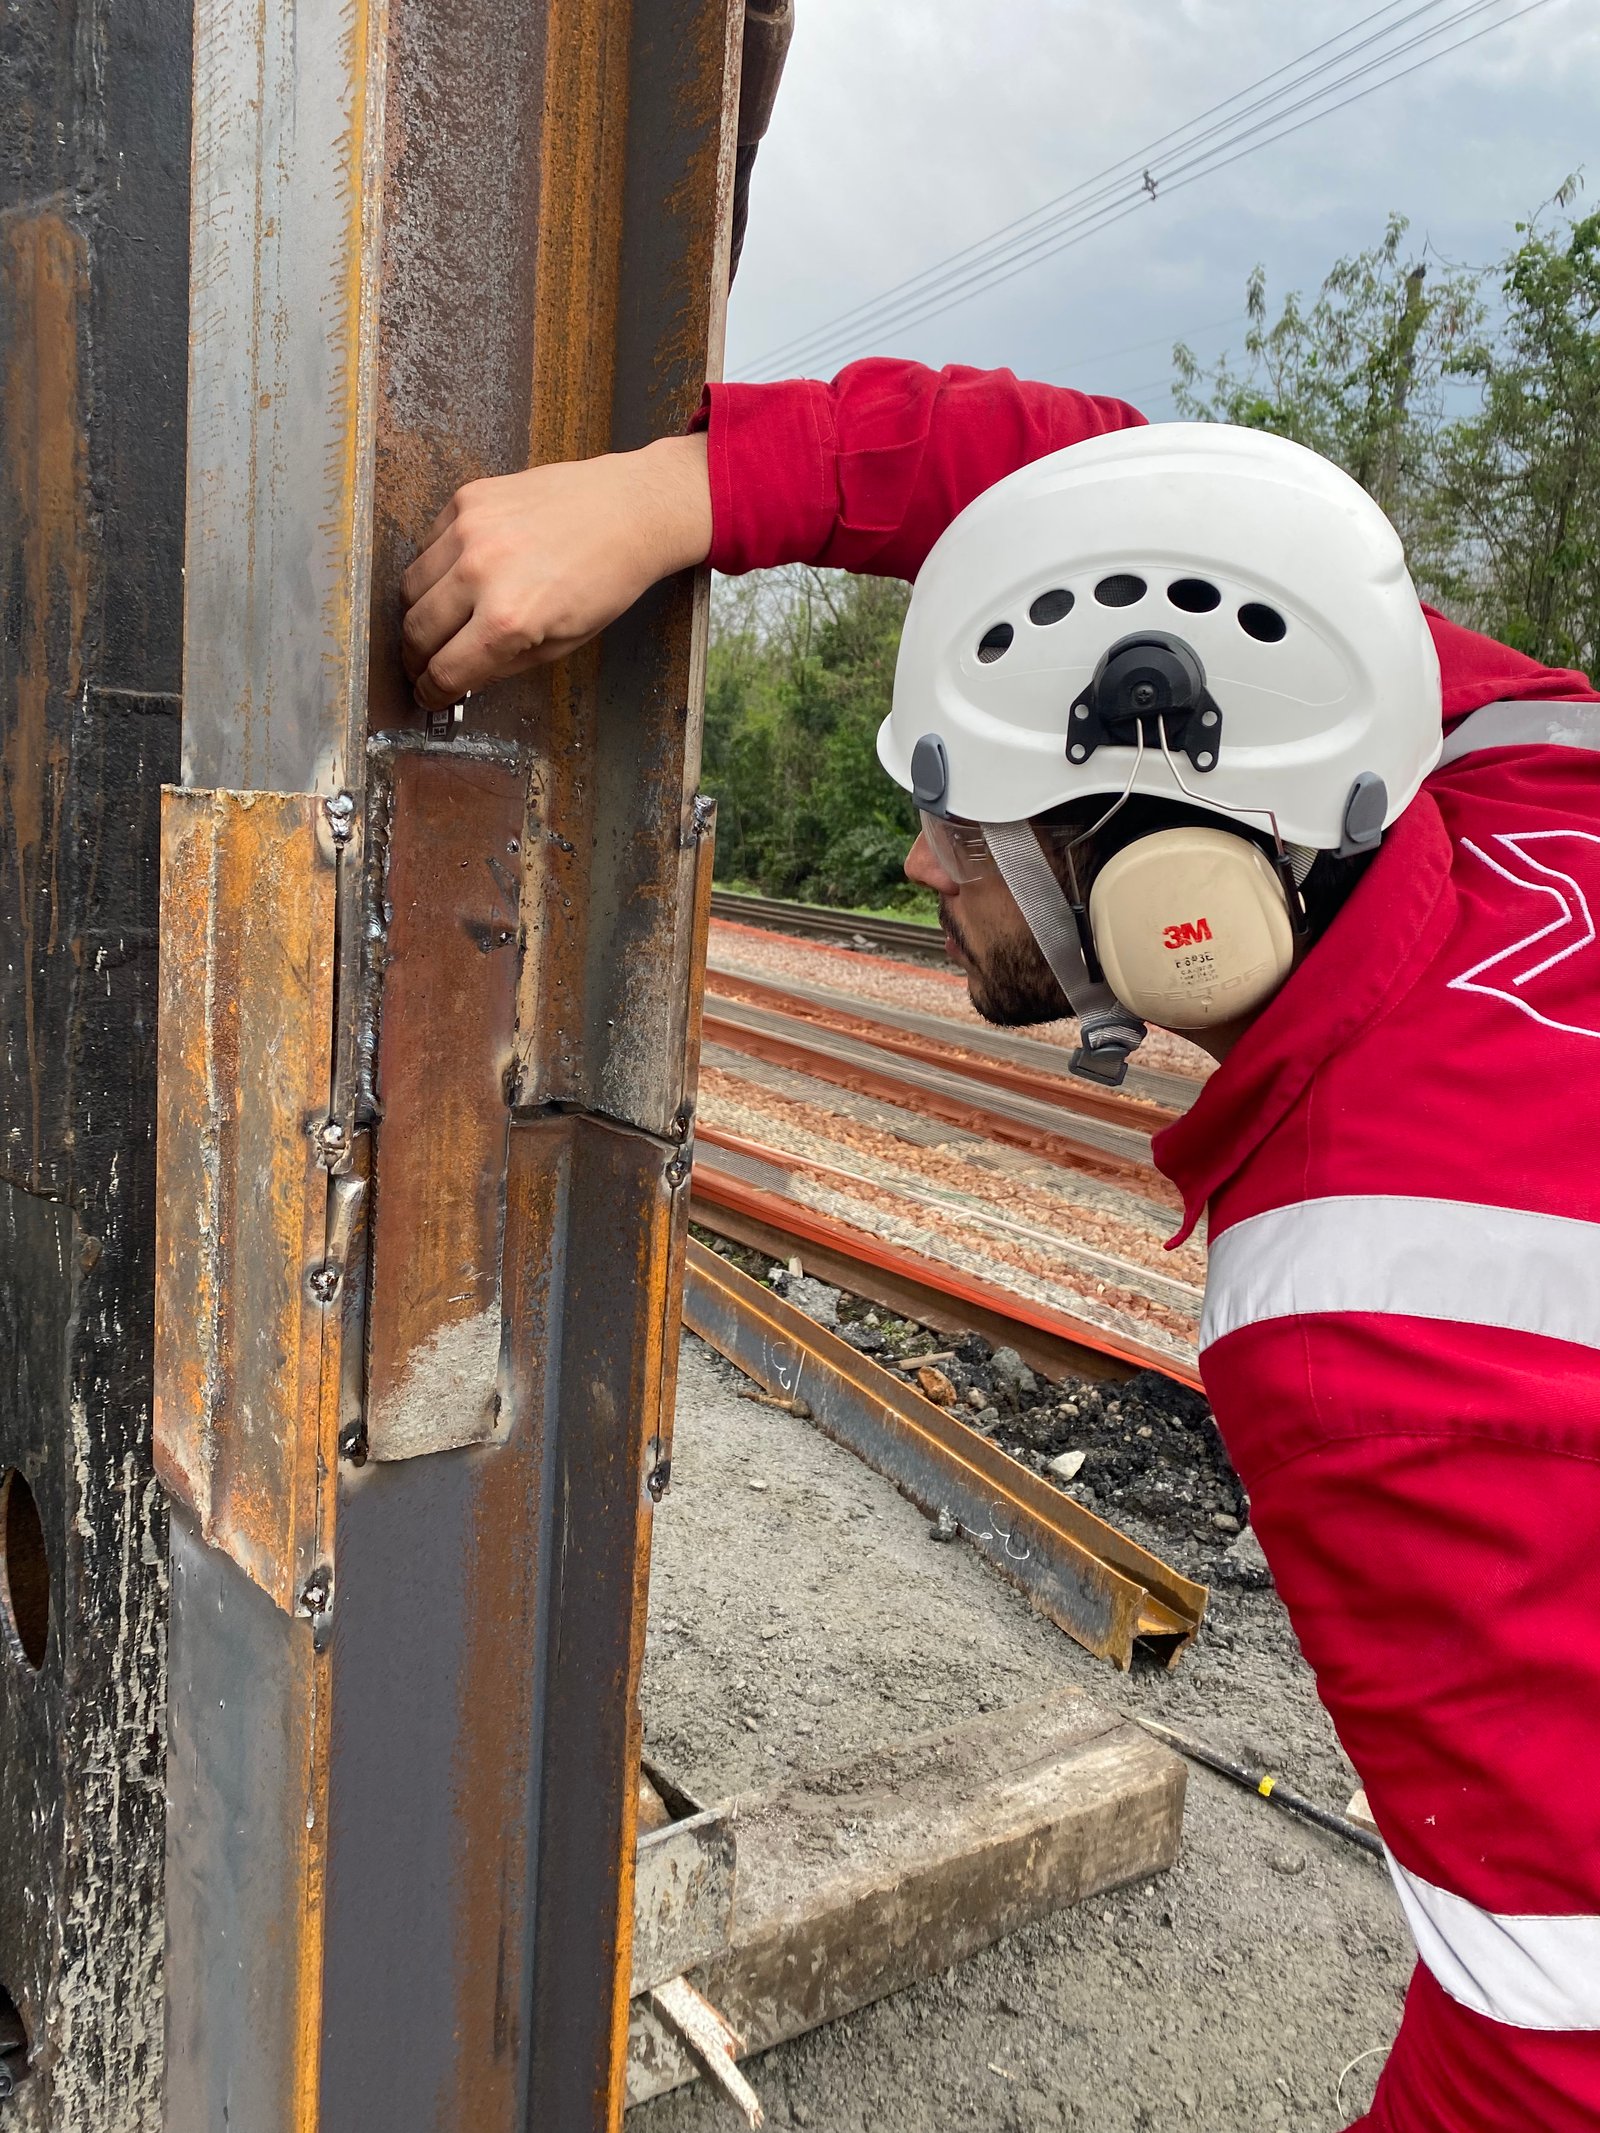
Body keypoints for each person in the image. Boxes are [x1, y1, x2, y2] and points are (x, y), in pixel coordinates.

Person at [400, 360, 1600, 2133]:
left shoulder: (1377, 1314)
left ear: (1153, 870)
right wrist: (682, 496)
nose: (912, 854)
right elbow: (1157, 516)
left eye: (963, 813)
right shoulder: (1516, 770)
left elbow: (1550, 2048)